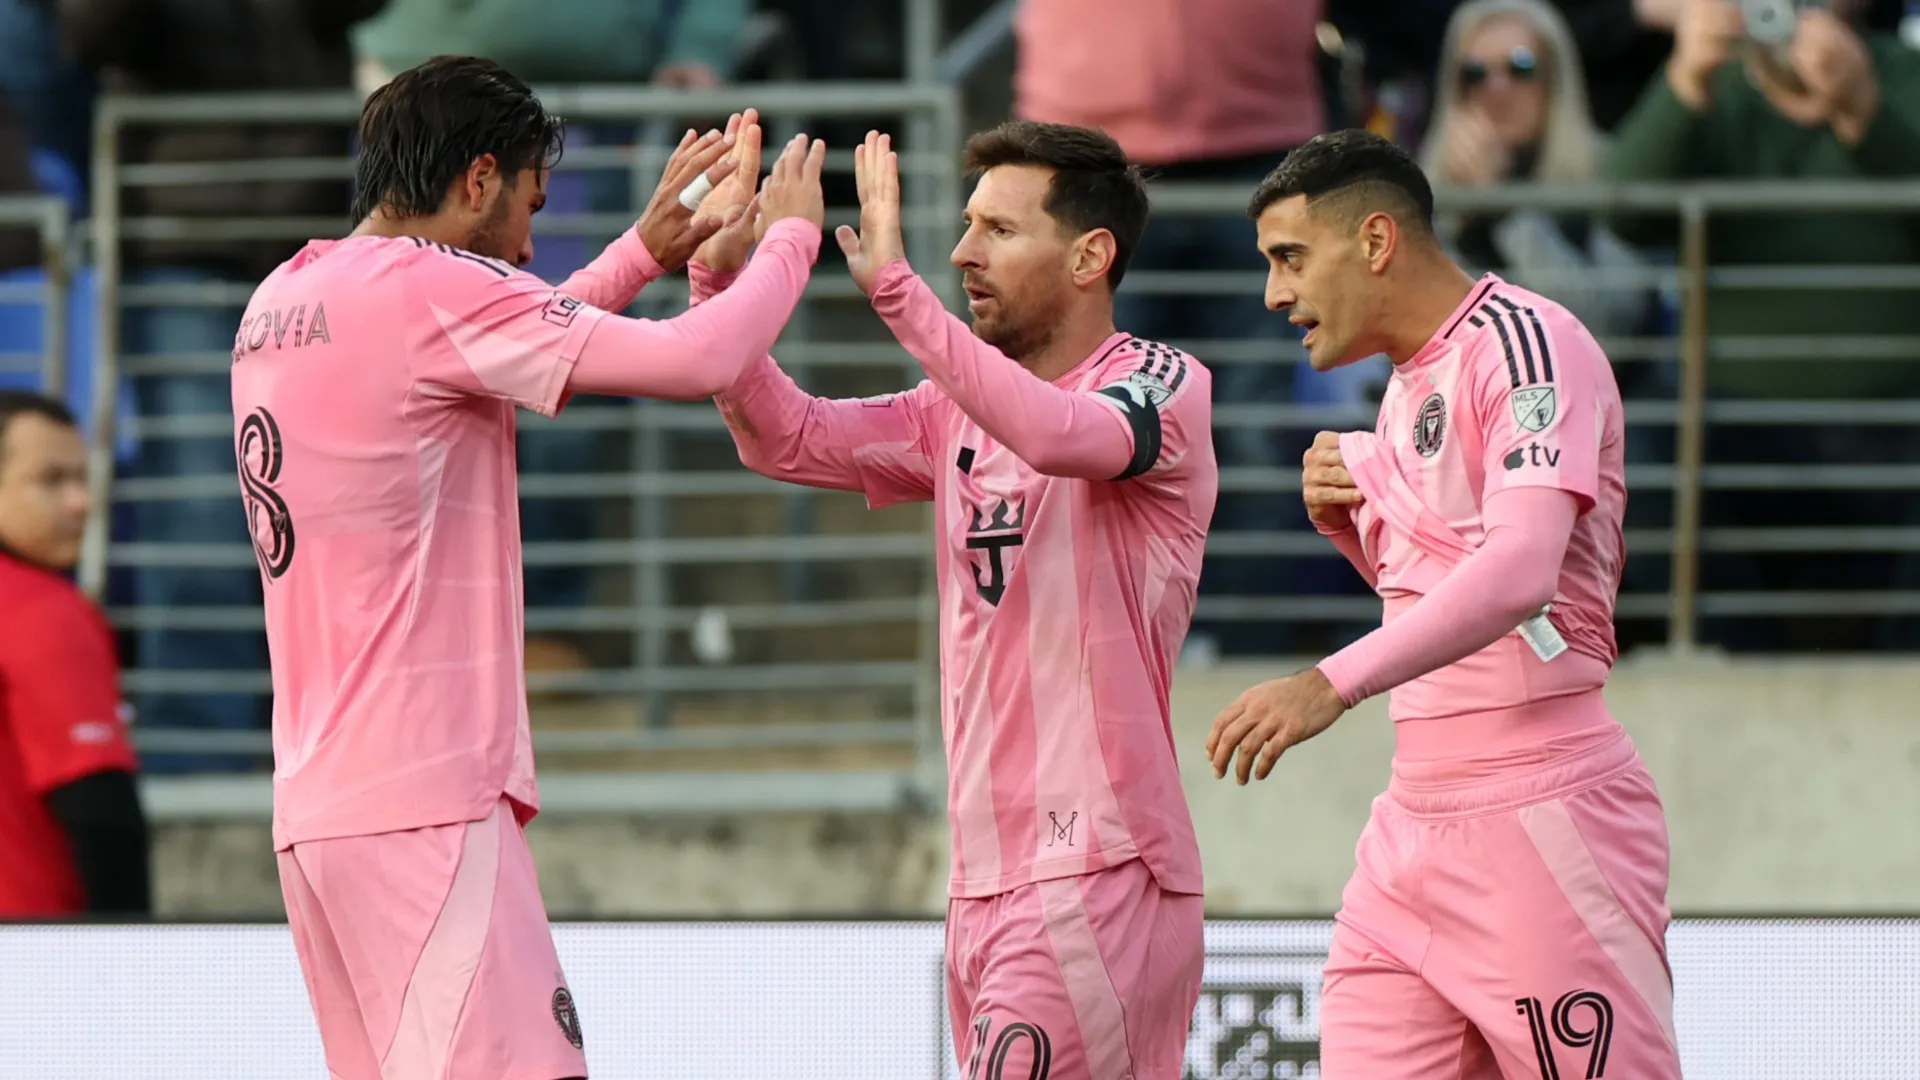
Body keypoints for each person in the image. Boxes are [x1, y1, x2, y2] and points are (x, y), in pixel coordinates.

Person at [230, 57, 827, 1080]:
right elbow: (697, 362)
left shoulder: (286, 296)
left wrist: (639, 250)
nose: (531, 243)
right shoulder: (427, 293)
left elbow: (494, 337)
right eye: (529, 206)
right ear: (477, 179)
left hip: (321, 815)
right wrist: (792, 238)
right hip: (424, 800)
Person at [693, 116, 1214, 1080]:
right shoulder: (952, 414)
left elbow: (1064, 436)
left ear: (1092, 255)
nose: (963, 252)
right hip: (982, 877)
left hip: (1096, 864)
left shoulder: (1162, 385)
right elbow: (785, 437)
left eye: (1000, 231)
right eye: (966, 225)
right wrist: (722, 286)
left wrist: (897, 293)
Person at [1207, 130, 1680, 1079]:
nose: (1274, 294)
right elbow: (1441, 597)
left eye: (1290, 258)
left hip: (1543, 814)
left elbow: (1521, 575)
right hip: (1411, 827)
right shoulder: (1403, 388)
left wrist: (1328, 684)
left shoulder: (1529, 341)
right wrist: (1357, 530)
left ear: (1376, 240)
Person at [0, 391, 150, 920]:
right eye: (51, 480)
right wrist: (134, 967)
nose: (80, 502)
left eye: (82, 478)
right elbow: (102, 815)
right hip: (35, 959)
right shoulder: (41, 611)